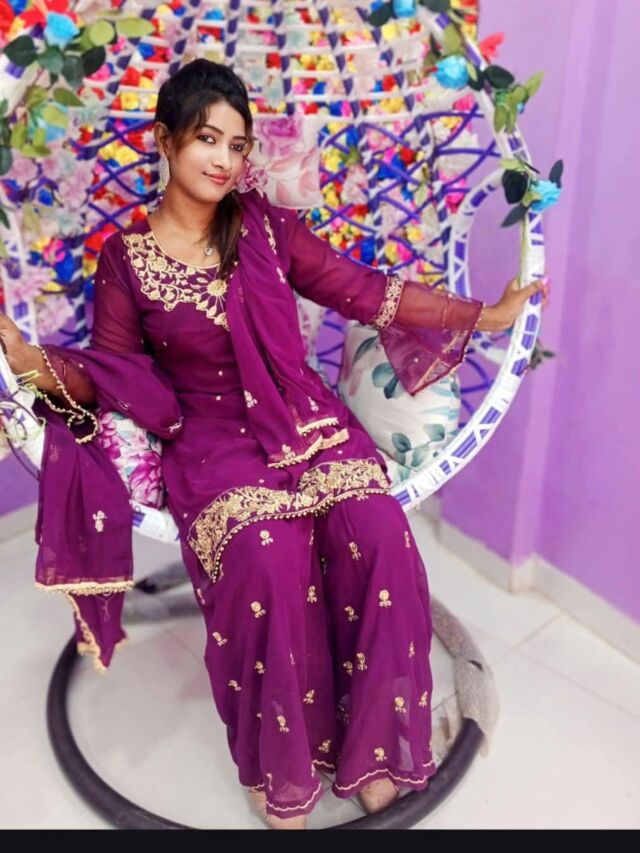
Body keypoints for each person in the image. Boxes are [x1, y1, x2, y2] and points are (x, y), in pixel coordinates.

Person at [0, 59, 548, 829]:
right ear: (165, 139)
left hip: (306, 419)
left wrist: (486, 315)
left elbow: (365, 289)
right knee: (267, 557)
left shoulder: (263, 226)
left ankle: (374, 749)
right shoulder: (124, 260)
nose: (224, 159)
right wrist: (30, 360)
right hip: (211, 440)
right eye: (206, 138)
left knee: (380, 534)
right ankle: (282, 763)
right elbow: (113, 371)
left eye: (237, 144)